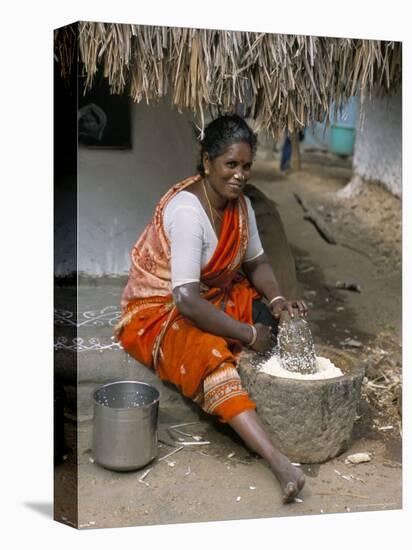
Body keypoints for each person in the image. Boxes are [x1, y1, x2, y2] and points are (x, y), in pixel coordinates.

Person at [115, 115, 307, 503]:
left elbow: (256, 263)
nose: (239, 175)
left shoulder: (240, 206)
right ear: (207, 162)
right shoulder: (189, 213)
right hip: (162, 308)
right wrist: (248, 334)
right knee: (210, 355)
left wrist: (277, 300)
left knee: (278, 318)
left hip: (213, 293)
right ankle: (277, 460)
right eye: (230, 165)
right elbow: (185, 300)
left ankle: (263, 404)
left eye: (246, 166)